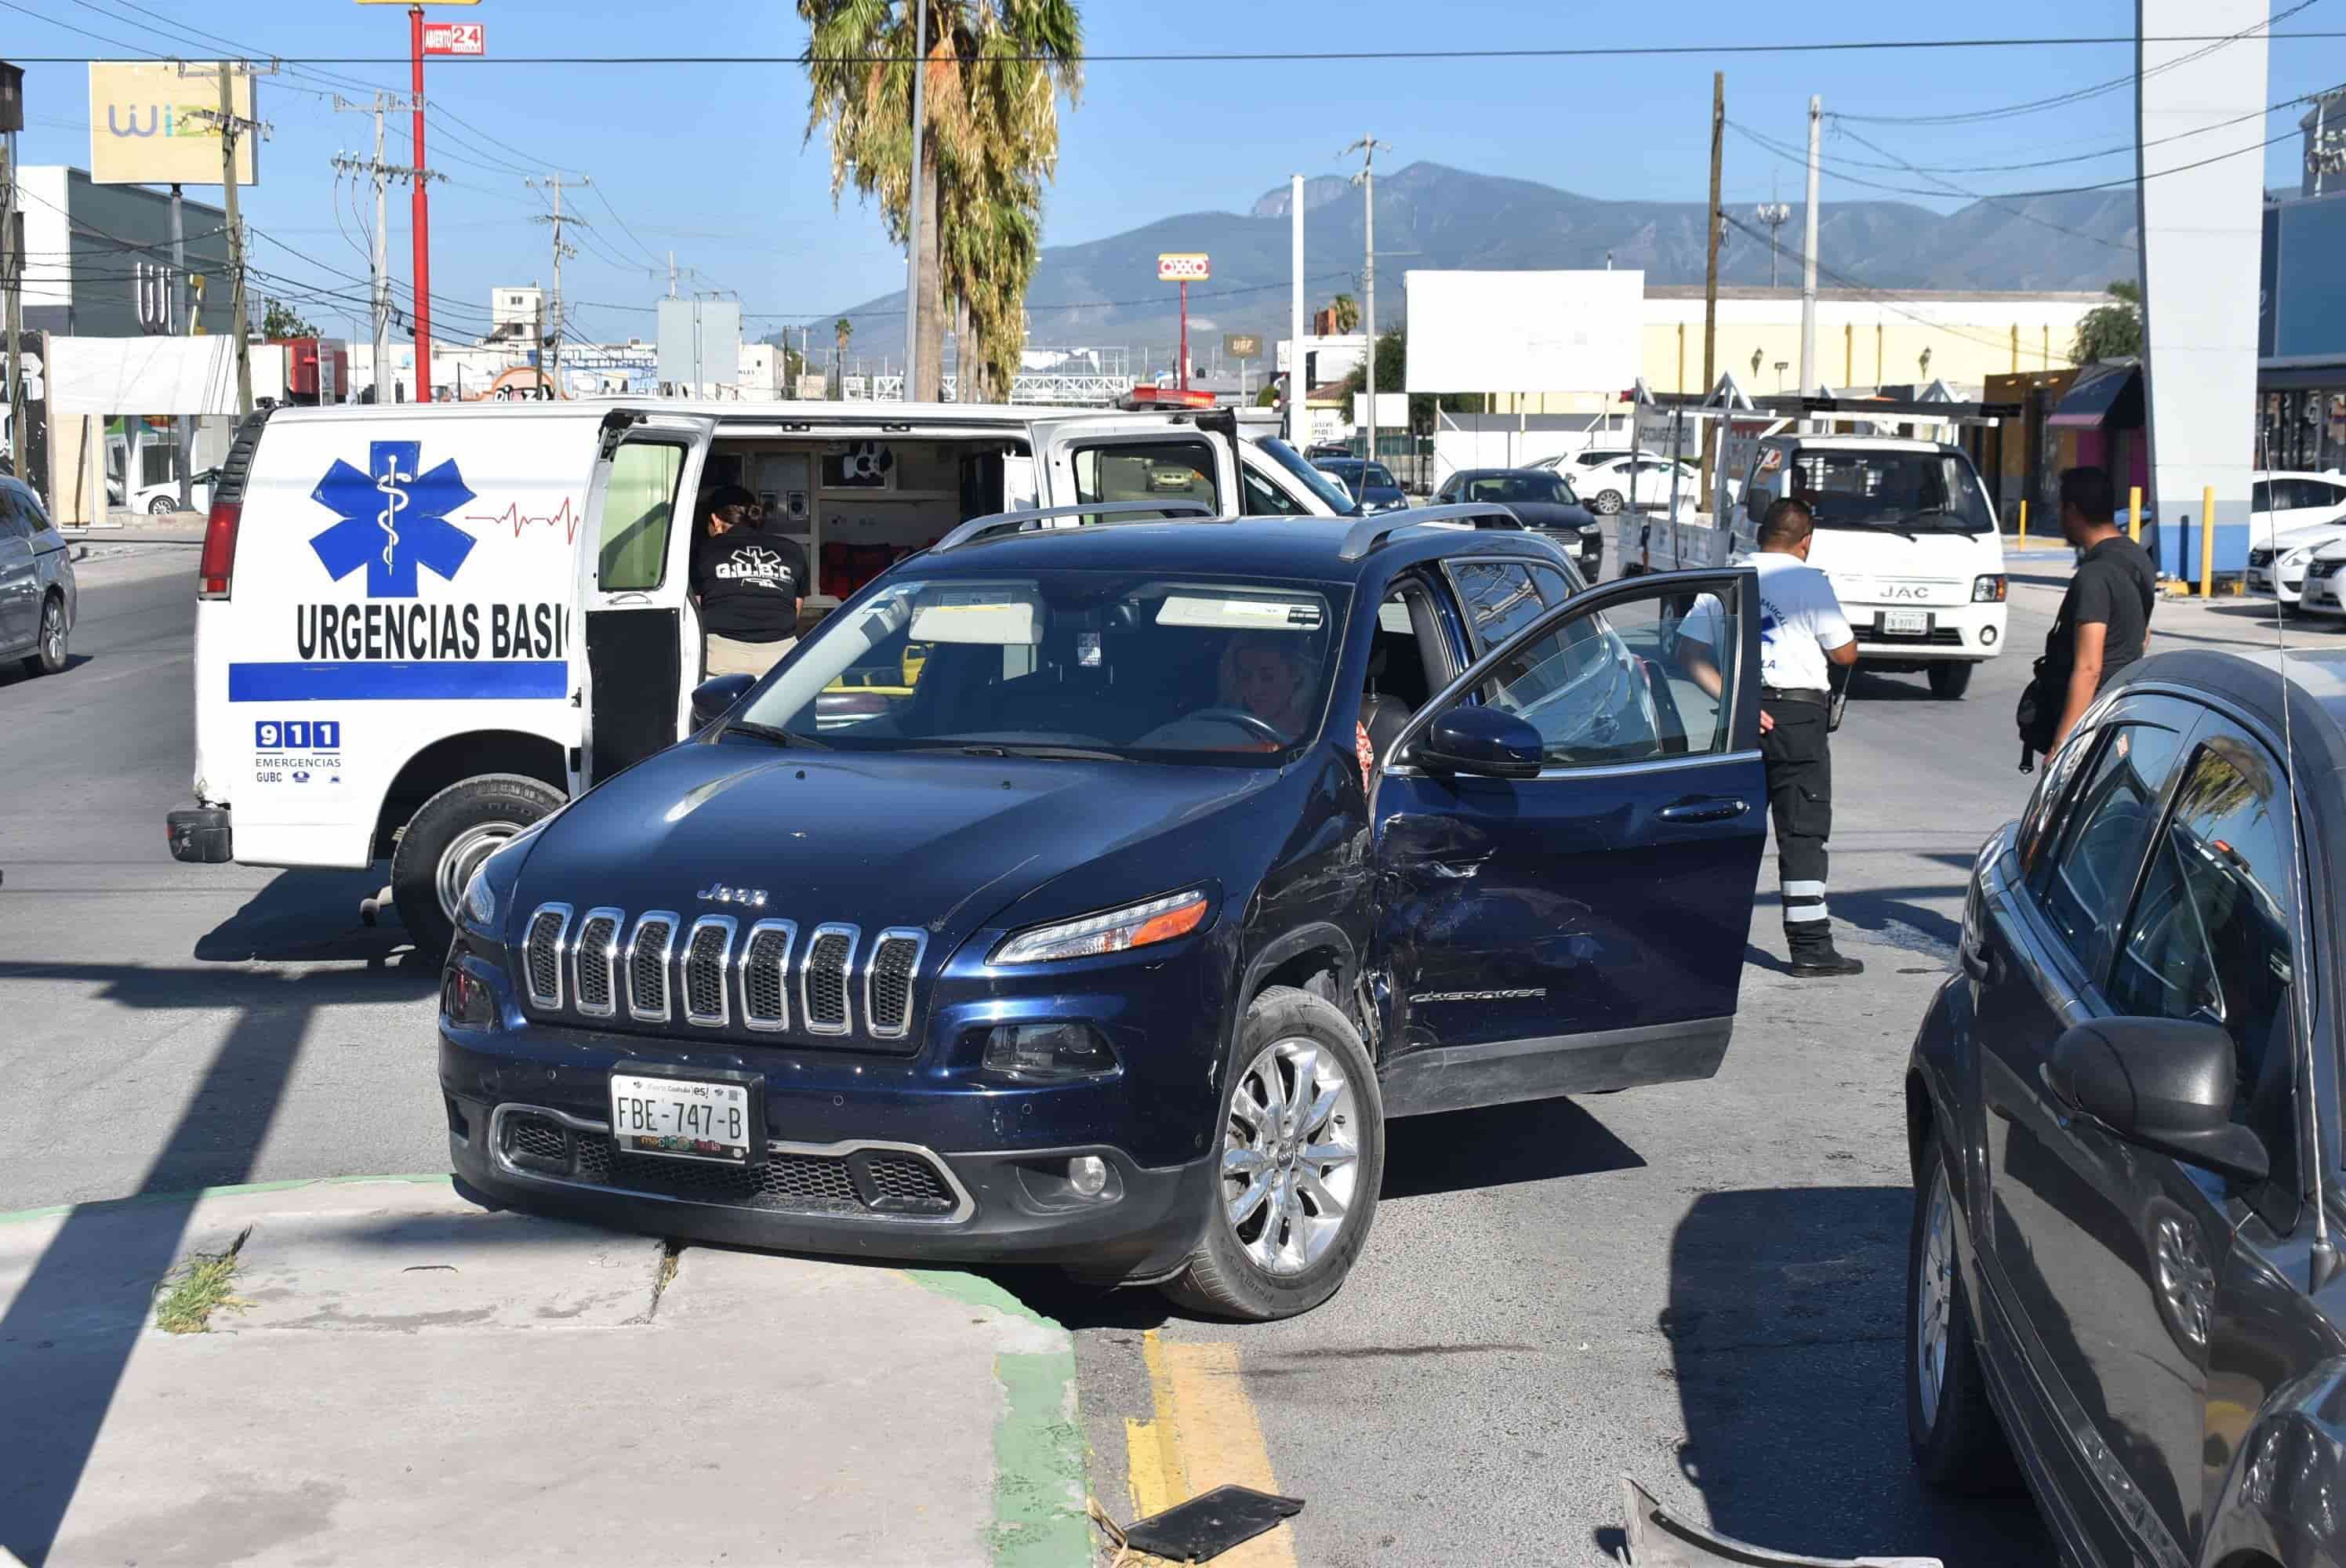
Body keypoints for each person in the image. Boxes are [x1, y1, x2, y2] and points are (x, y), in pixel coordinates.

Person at [1678, 496, 1865, 978]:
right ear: (1806, 540)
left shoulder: (1727, 579)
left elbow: (1689, 651)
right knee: (1801, 832)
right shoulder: (1808, 581)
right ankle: (1810, 949)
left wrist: (1738, 703)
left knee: (1729, 830)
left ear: (1761, 534)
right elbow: (1844, 654)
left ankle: (1702, 943)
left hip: (1740, 716)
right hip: (1798, 719)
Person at [2042, 466, 2158, 753]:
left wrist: (2062, 745)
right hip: (2123, 716)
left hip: (2091, 727)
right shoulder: (2137, 558)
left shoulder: (2094, 577)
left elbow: (2089, 668)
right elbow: (2143, 635)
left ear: (2073, 510)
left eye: (2061, 508)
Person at [690, 483, 808, 680]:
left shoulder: (704, 550)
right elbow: (794, 610)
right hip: (781, 660)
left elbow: (695, 611)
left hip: (721, 660)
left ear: (715, 520)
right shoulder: (792, 550)